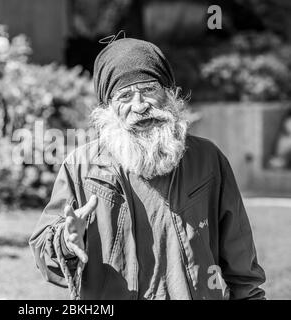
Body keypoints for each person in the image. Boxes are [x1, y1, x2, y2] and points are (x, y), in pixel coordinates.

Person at [29, 38, 266, 300]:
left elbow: (241, 264)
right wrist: (66, 240)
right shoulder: (81, 167)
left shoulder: (207, 159)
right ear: (108, 108)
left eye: (149, 89)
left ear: (169, 93)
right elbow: (43, 250)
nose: (140, 105)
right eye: (125, 95)